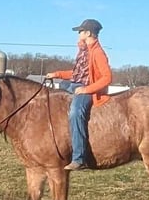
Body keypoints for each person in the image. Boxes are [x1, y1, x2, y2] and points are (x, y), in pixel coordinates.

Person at [46, 19, 112, 171]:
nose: (78, 34)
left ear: (88, 33)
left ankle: (79, 157)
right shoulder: (84, 51)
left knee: (76, 112)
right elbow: (76, 74)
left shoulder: (98, 53)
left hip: (87, 88)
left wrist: (86, 90)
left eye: (80, 31)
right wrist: (57, 74)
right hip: (76, 85)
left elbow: (107, 77)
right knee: (56, 94)